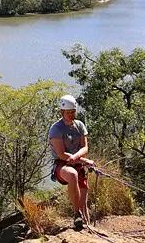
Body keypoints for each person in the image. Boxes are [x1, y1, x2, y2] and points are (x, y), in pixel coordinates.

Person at [48, 94, 94, 230]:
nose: (70, 115)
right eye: (68, 112)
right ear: (62, 112)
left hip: (78, 162)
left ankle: (87, 225)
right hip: (62, 165)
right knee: (72, 174)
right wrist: (82, 160)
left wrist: (78, 158)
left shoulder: (80, 125)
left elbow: (84, 147)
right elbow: (61, 154)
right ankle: (76, 214)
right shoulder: (56, 129)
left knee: (84, 200)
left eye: (73, 112)